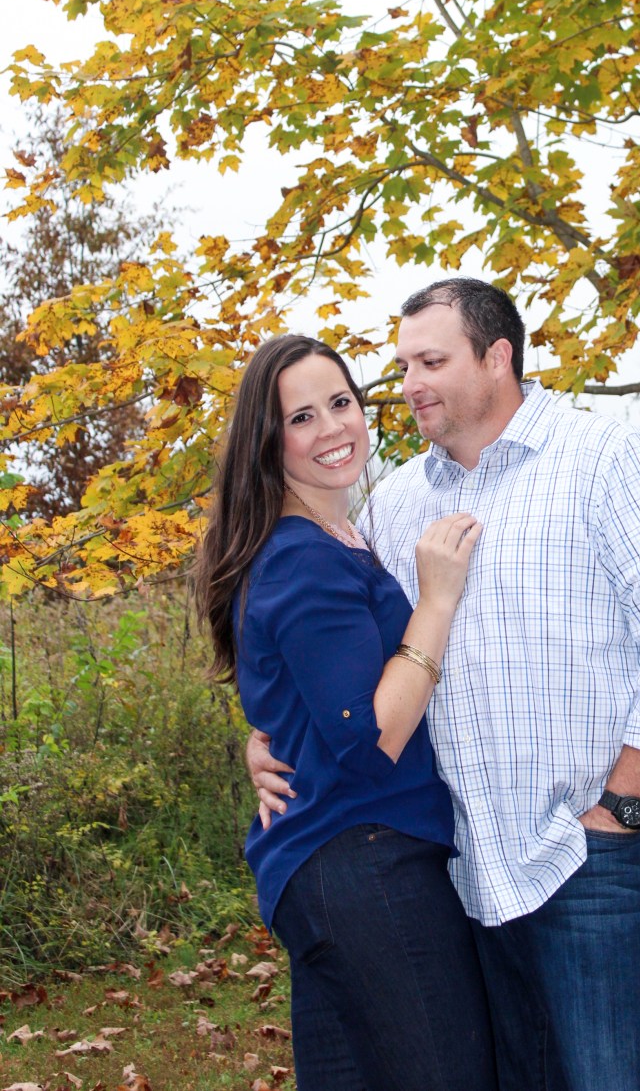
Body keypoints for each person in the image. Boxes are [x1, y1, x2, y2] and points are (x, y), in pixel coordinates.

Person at [249, 281, 640, 1091]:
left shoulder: (605, 459)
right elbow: (337, 662)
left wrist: (621, 812)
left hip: (593, 860)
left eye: (431, 361)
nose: (408, 385)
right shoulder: (394, 504)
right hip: (467, 876)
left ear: (497, 357)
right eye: (402, 365)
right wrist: (264, 737)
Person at [194, 333, 497, 1091]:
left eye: (341, 402)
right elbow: (369, 738)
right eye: (301, 418)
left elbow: (305, 693)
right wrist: (436, 600)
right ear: (268, 443)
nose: (332, 428)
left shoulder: (334, 540)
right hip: (365, 860)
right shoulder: (301, 555)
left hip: (333, 866)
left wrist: (262, 740)